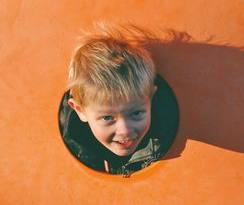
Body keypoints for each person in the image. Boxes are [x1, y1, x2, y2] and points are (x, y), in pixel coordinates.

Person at [58, 24, 179, 176]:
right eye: (107, 117)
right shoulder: (73, 139)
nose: (125, 130)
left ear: (151, 99)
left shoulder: (166, 130)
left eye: (136, 113)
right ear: (80, 110)